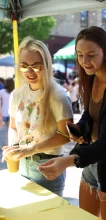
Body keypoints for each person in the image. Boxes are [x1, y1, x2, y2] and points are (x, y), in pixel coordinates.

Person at [39, 26, 106, 220]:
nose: (85, 61)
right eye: (80, 55)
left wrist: (69, 160)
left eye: (91, 55)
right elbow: (90, 115)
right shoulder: (92, 78)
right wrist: (80, 129)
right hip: (92, 164)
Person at [2, 37, 73, 196]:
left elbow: (65, 136)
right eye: (24, 66)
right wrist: (13, 147)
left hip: (47, 165)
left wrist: (31, 149)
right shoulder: (17, 94)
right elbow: (13, 127)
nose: (30, 71)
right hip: (22, 164)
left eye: (36, 66)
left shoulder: (58, 96)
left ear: (46, 65)